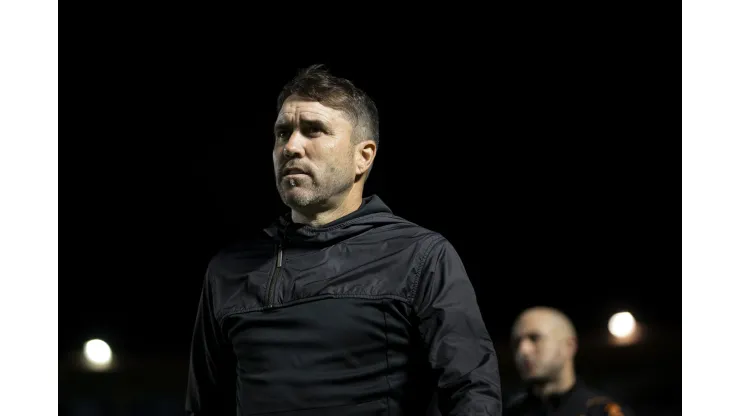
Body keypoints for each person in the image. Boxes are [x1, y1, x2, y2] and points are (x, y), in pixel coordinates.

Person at [185, 64, 502, 415]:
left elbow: (473, 392)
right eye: (282, 132)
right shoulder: (228, 269)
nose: (291, 146)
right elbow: (205, 405)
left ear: (362, 156)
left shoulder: (420, 256)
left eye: (313, 130)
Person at [506, 307, 633, 416]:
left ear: (569, 346)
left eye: (535, 338)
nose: (523, 350)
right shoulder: (507, 413)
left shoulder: (603, 412)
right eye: (516, 343)